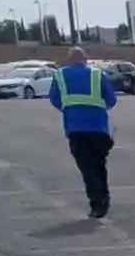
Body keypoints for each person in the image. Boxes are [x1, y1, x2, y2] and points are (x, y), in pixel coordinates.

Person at [47, 46, 119, 218]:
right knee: (99, 164)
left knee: (87, 167)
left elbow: (54, 99)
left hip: (75, 128)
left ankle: (97, 203)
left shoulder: (60, 75)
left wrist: (70, 110)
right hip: (98, 128)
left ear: (69, 60)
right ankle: (104, 198)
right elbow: (111, 99)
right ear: (85, 59)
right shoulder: (97, 74)